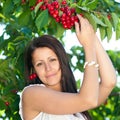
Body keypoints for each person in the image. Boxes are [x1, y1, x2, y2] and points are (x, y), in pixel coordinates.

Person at [19, 15, 117, 120]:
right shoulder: (31, 94)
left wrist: (91, 35)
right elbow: (88, 100)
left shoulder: (76, 102)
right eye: (40, 64)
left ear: (62, 61)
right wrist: (88, 46)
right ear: (33, 69)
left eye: (52, 60)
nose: (48, 68)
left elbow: (109, 82)